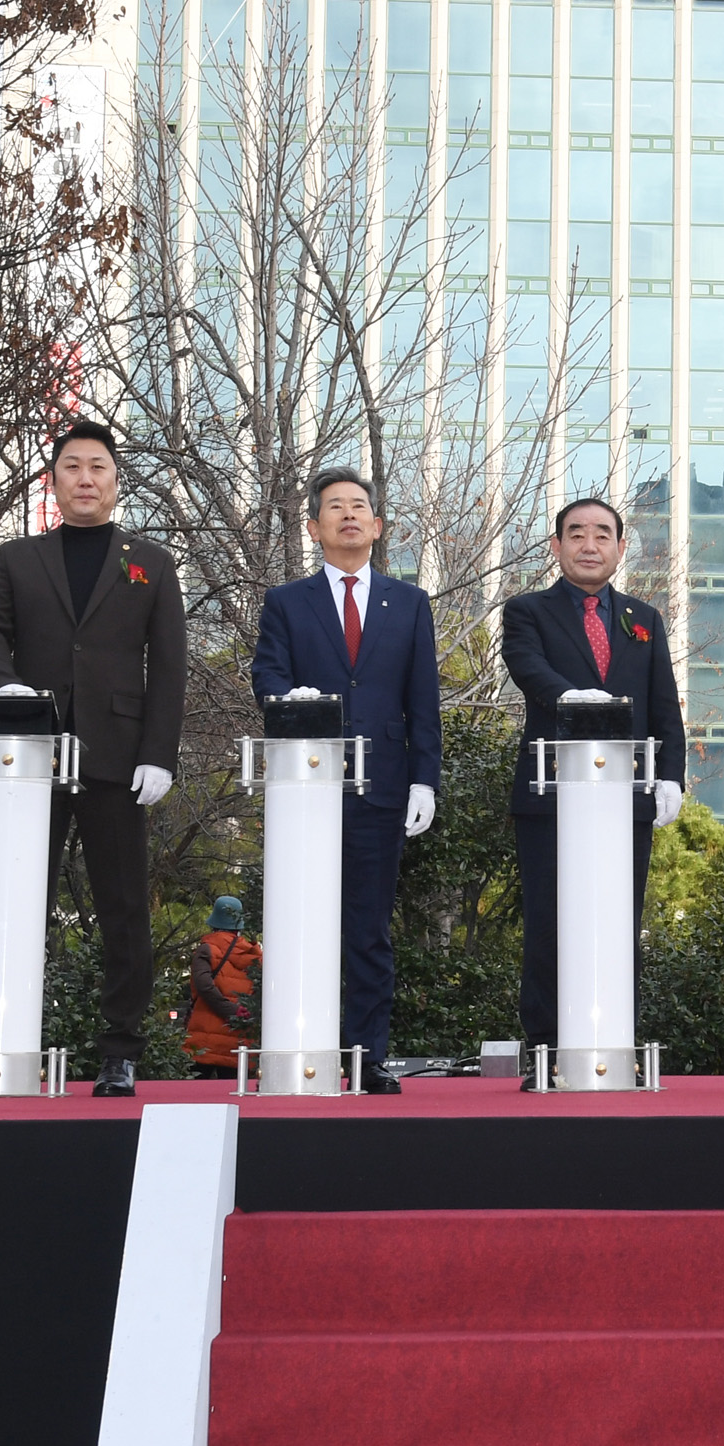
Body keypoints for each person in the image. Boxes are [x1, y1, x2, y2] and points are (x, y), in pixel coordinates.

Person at [0, 420, 188, 1099]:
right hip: (28, 757)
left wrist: (159, 754)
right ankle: (7, 1041)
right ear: (53, 480)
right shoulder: (18, 558)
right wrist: (6, 690)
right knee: (14, 902)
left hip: (117, 758)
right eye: (71, 467)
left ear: (116, 480)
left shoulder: (149, 559)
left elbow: (171, 665)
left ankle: (120, 1052)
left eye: (97, 467)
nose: (84, 478)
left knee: (123, 907)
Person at [251, 468, 443, 1095]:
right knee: (301, 922)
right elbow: (268, 679)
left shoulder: (409, 603)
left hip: (381, 787)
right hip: (304, 790)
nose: (349, 515)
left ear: (378, 526)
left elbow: (424, 700)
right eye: (335, 507)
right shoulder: (287, 602)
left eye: (360, 506)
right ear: (314, 527)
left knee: (368, 928)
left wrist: (425, 780)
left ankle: (369, 1057)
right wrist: (292, 702)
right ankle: (297, 1047)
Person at [500, 497, 687, 1057]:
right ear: (556, 546)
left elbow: (663, 706)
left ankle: (614, 1038)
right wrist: (568, 697)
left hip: (625, 796)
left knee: (617, 922)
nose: (589, 544)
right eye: (576, 534)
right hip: (551, 793)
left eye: (602, 534)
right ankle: (546, 1045)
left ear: (620, 547)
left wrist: (671, 776)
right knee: (549, 922)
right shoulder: (527, 610)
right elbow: (527, 667)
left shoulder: (643, 619)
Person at [185, 897, 259, 1079]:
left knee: (195, 1096)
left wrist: (229, 1010)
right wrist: (241, 1013)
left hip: (205, 1035)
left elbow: (204, 986)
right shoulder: (253, 955)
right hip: (239, 1036)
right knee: (234, 1092)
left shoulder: (207, 949)